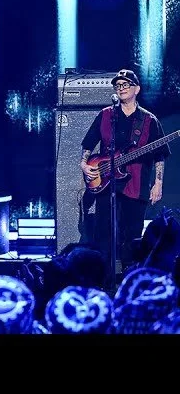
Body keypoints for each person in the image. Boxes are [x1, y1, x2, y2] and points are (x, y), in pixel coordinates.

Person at [80, 69, 170, 274]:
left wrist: (158, 183)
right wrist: (84, 164)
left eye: (126, 84)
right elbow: (88, 144)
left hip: (136, 185)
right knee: (103, 233)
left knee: (132, 234)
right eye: (118, 85)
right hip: (105, 184)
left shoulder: (149, 120)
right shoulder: (106, 115)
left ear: (137, 89)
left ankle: (131, 275)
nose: (121, 88)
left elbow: (159, 155)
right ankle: (103, 276)